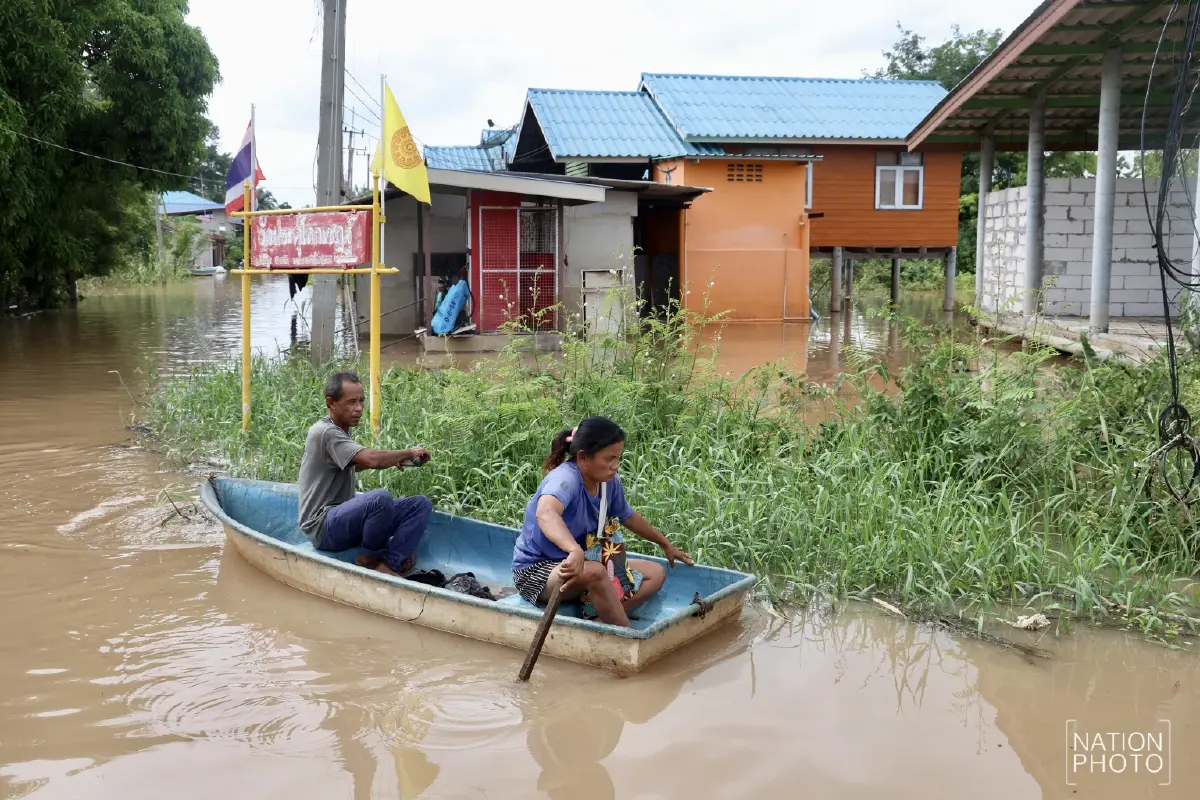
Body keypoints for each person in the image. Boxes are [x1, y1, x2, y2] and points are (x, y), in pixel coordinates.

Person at [511, 416, 693, 627]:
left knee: (655, 573)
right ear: (583, 458)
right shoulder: (564, 480)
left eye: (618, 458)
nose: (615, 465)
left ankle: (603, 619)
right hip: (539, 572)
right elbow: (546, 514)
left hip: (584, 563)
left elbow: (628, 516)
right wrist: (574, 550)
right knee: (596, 571)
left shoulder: (608, 483)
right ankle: (626, 635)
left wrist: (665, 544)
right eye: (609, 458)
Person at [298, 371, 433, 577]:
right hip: (322, 527)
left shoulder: (341, 431)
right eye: (352, 402)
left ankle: (390, 565)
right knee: (380, 499)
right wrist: (408, 452)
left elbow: (356, 465)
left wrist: (395, 460)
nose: (359, 408)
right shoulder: (326, 432)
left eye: (361, 401)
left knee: (420, 504)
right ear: (331, 402)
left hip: (343, 519)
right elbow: (371, 459)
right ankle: (370, 558)